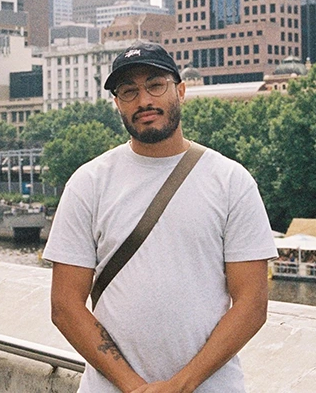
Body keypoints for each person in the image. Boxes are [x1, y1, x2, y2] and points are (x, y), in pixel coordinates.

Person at [43, 41, 277, 393]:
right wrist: (135, 387)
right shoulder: (88, 183)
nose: (144, 101)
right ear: (117, 104)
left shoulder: (231, 181)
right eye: (129, 92)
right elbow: (64, 305)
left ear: (180, 91)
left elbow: (252, 303)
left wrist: (182, 385)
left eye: (155, 85)